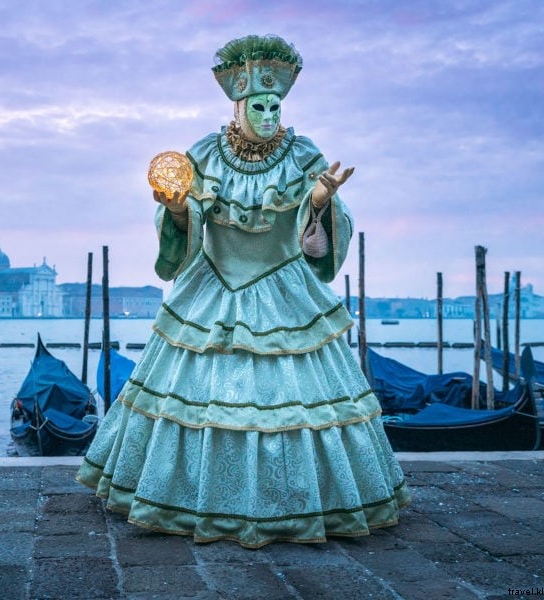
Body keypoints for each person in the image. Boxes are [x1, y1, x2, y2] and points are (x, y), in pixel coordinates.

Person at [77, 34, 409, 548]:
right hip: (212, 288)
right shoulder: (204, 154)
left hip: (284, 291)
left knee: (292, 408)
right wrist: (175, 206)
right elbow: (189, 215)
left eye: (276, 105)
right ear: (238, 104)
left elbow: (313, 231)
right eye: (260, 105)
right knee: (199, 404)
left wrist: (318, 201)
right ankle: (196, 497)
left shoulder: (303, 156)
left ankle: (288, 504)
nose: (271, 113)